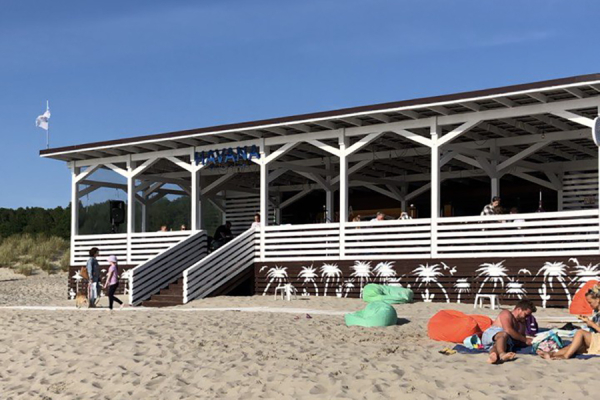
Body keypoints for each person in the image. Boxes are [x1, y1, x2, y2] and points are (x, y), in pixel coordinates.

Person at [538, 285, 600, 360]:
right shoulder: (597, 314)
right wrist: (588, 322)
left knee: (580, 333)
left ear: (598, 300)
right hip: (597, 339)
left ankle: (565, 356)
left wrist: (592, 324)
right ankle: (553, 354)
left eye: (590, 302)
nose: (590, 305)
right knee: (575, 345)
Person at [482, 299, 536, 364]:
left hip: (503, 341)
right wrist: (525, 340)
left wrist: (533, 342)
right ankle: (502, 354)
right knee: (503, 334)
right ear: (519, 309)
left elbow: (520, 338)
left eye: (529, 316)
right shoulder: (506, 313)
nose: (527, 318)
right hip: (492, 334)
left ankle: (493, 356)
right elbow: (508, 330)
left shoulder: (522, 323)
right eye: (526, 315)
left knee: (503, 344)